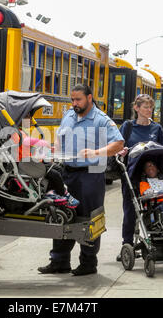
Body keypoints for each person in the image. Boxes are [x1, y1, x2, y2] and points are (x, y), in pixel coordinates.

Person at [38, 84, 124, 276]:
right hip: (67, 172)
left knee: (89, 218)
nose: (74, 103)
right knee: (62, 213)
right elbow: (60, 137)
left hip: (91, 174)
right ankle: (59, 261)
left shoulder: (101, 120)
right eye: (72, 100)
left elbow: (119, 143)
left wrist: (97, 152)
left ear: (90, 98)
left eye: (78, 100)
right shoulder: (69, 115)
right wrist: (55, 151)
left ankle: (88, 263)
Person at [116, 94, 163, 261]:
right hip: (131, 176)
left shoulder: (156, 128)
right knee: (130, 211)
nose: (149, 110)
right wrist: (121, 151)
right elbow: (119, 145)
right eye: (145, 107)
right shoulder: (128, 127)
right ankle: (127, 244)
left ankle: (156, 241)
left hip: (151, 176)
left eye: (151, 107)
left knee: (154, 208)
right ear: (136, 108)